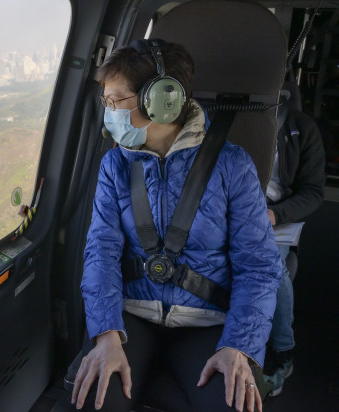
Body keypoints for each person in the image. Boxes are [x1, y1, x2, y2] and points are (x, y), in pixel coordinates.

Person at [70, 39, 281, 412]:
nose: (108, 111)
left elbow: (259, 267)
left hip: (209, 323)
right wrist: (105, 335)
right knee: (94, 399)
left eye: (115, 100)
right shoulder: (115, 165)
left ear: (162, 100)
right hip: (131, 316)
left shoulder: (233, 166)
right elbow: (100, 253)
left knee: (235, 405)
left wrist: (238, 347)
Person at [263, 83, 326, 396]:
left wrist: (276, 214)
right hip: (232, 206)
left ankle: (282, 351)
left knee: (271, 266)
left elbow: (314, 191)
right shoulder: (233, 116)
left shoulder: (301, 129)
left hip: (277, 213)